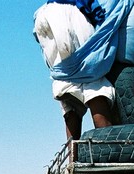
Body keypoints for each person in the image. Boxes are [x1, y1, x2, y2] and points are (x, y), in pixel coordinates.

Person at [33, 1, 118, 139]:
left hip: (45, 16)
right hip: (70, 13)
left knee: (69, 91)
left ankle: (72, 156)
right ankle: (108, 149)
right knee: (94, 86)